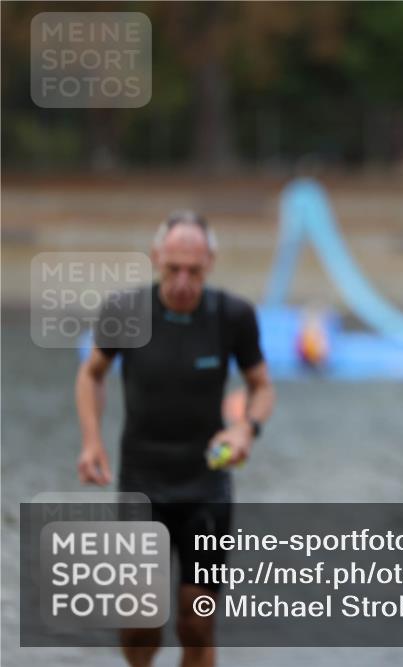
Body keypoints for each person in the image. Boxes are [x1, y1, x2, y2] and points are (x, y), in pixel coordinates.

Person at [75, 210, 275, 667]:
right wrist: (91, 441)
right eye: (173, 269)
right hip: (142, 483)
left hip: (206, 486)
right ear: (155, 258)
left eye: (194, 271)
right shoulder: (126, 312)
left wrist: (245, 428)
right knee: (140, 622)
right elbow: (91, 374)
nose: (183, 281)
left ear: (211, 263)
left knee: (197, 621)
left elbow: (262, 386)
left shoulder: (233, 316)